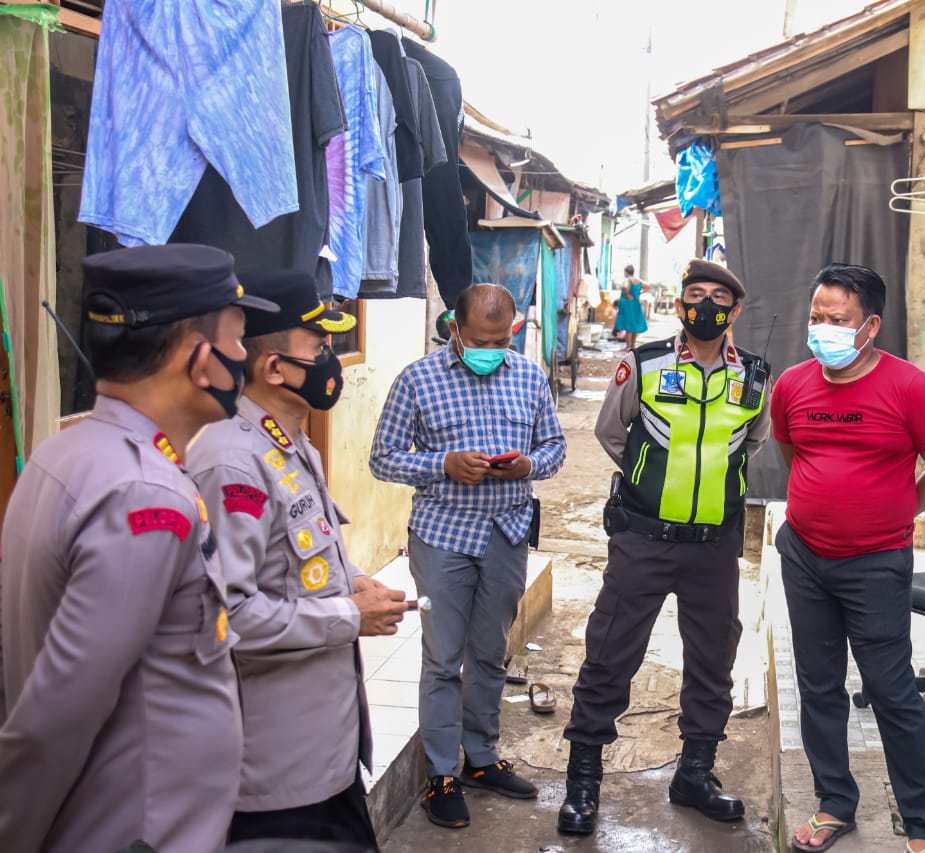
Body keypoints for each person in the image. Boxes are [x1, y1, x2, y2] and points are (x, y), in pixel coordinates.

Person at [0, 244, 279, 852]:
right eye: (237, 343)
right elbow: (57, 714)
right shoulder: (142, 494)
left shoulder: (66, 452)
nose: (244, 360)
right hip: (134, 832)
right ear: (200, 360)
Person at [188, 271, 411, 848]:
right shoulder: (231, 463)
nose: (331, 362)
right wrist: (348, 616)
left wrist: (359, 583)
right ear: (273, 368)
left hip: (327, 753)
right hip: (274, 774)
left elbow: (304, 559)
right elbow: (229, 618)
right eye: (318, 349)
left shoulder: (289, 441)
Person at [558, 259, 771, 836]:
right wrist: (649, 483)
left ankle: (695, 774)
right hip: (644, 538)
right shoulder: (644, 363)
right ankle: (583, 782)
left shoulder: (754, 376)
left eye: (718, 297)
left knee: (712, 659)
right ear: (680, 305)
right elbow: (611, 433)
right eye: (695, 295)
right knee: (610, 652)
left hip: (713, 546)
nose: (706, 305)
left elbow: (752, 441)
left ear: (735, 310)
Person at [773, 264, 925, 853]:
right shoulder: (793, 385)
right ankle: (835, 803)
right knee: (818, 685)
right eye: (816, 317)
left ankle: (924, 823)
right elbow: (791, 454)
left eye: (838, 320)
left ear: (871, 325)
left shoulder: (911, 388)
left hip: (876, 562)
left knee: (890, 688)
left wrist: (892, 512)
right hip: (804, 556)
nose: (822, 328)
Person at [369, 283, 566, 830]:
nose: (491, 348)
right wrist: (442, 465)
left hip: (506, 533)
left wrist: (528, 466)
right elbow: (382, 459)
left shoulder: (527, 376)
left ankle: (480, 760)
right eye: (480, 339)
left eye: (501, 339)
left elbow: (554, 446)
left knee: (488, 656)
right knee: (442, 659)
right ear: (454, 329)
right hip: (442, 536)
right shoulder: (417, 379)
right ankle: (440, 777)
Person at [613, 263, 649, 349]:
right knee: (635, 326)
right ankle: (633, 345)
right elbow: (648, 286)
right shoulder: (638, 281)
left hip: (628, 305)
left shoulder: (627, 280)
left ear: (626, 272)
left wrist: (626, 293)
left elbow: (625, 287)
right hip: (636, 304)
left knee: (628, 326)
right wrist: (639, 293)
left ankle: (628, 346)